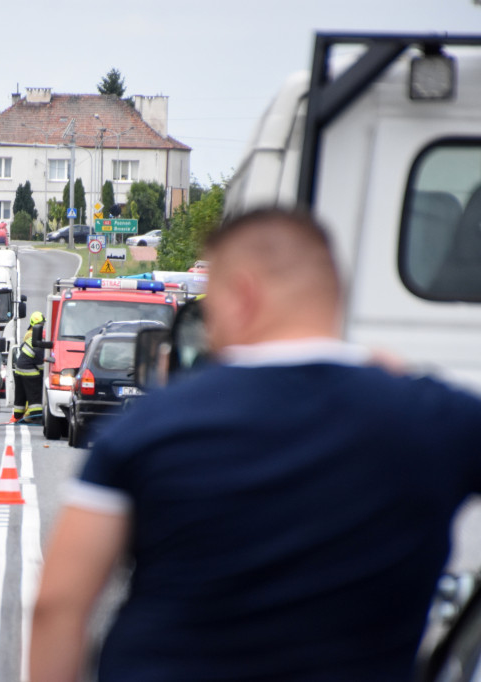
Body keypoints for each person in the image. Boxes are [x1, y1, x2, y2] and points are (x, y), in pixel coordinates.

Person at [30, 208, 481, 682]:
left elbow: (58, 605)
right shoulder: (433, 419)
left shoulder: (147, 428)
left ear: (243, 295)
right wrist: (404, 385)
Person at [12, 310, 47, 424]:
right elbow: (40, 363)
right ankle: (36, 417)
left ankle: (18, 415)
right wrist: (45, 373)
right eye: (42, 324)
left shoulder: (30, 336)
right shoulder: (37, 340)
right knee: (35, 394)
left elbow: (23, 347)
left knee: (20, 395)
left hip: (19, 368)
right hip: (29, 370)